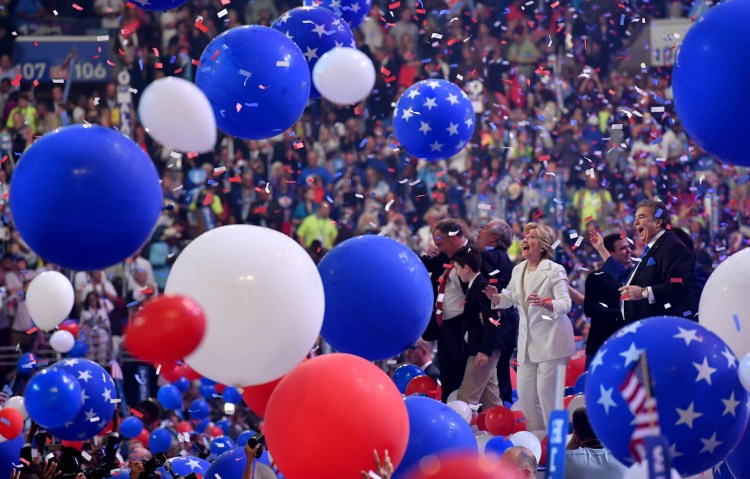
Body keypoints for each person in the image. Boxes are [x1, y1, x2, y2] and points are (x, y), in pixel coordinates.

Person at [484, 223, 574, 431]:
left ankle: (557, 446)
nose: (525, 240)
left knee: (547, 397)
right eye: (525, 236)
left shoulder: (554, 270)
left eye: (531, 237)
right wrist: (496, 297)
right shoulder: (518, 269)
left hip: (553, 342)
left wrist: (547, 303)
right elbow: (511, 297)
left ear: (542, 246)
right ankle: (538, 441)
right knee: (525, 397)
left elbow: (565, 304)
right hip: (527, 345)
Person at [618, 200, 696, 322]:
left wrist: (644, 292)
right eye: (635, 218)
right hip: (643, 326)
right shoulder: (653, 247)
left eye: (642, 217)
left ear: (658, 222)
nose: (636, 223)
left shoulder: (672, 247)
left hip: (660, 327)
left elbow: (679, 284)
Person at [421, 219, 470, 402]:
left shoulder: (475, 256)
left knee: (462, 377)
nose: (438, 248)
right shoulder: (442, 256)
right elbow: (424, 264)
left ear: (454, 237)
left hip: (463, 328)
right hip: (443, 327)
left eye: (440, 243)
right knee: (447, 376)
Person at [453, 246, 503, 408]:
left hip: (482, 350)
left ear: (466, 268)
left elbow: (492, 322)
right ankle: (503, 430)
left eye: (456, 268)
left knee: (465, 400)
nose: (456, 272)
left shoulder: (481, 287)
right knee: (491, 401)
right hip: (483, 348)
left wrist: (484, 351)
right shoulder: (475, 285)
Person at [475, 219, 519, 404]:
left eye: (484, 227)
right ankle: (506, 411)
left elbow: (487, 290)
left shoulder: (485, 256)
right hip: (509, 322)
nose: (479, 231)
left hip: (494, 322)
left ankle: (498, 415)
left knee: (491, 375)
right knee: (502, 373)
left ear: (493, 237)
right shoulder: (506, 259)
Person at [584, 232, 633, 368]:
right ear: (610, 253)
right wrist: (622, 313)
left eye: (628, 247)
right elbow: (590, 308)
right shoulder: (597, 277)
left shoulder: (632, 277)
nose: (629, 251)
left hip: (627, 345)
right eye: (623, 248)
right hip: (600, 345)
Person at [565, 408, 627, 479]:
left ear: (576, 436)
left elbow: (556, 469)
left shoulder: (566, 460)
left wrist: (572, 444)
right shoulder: (625, 460)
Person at [80, 291, 112, 366]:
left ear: (97, 299)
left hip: (102, 336)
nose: (93, 301)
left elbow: (108, 325)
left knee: (102, 355)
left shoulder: (102, 311)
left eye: (94, 299)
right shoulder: (85, 312)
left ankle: (102, 368)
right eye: (91, 299)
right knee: (90, 354)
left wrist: (101, 322)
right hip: (90, 336)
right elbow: (81, 326)